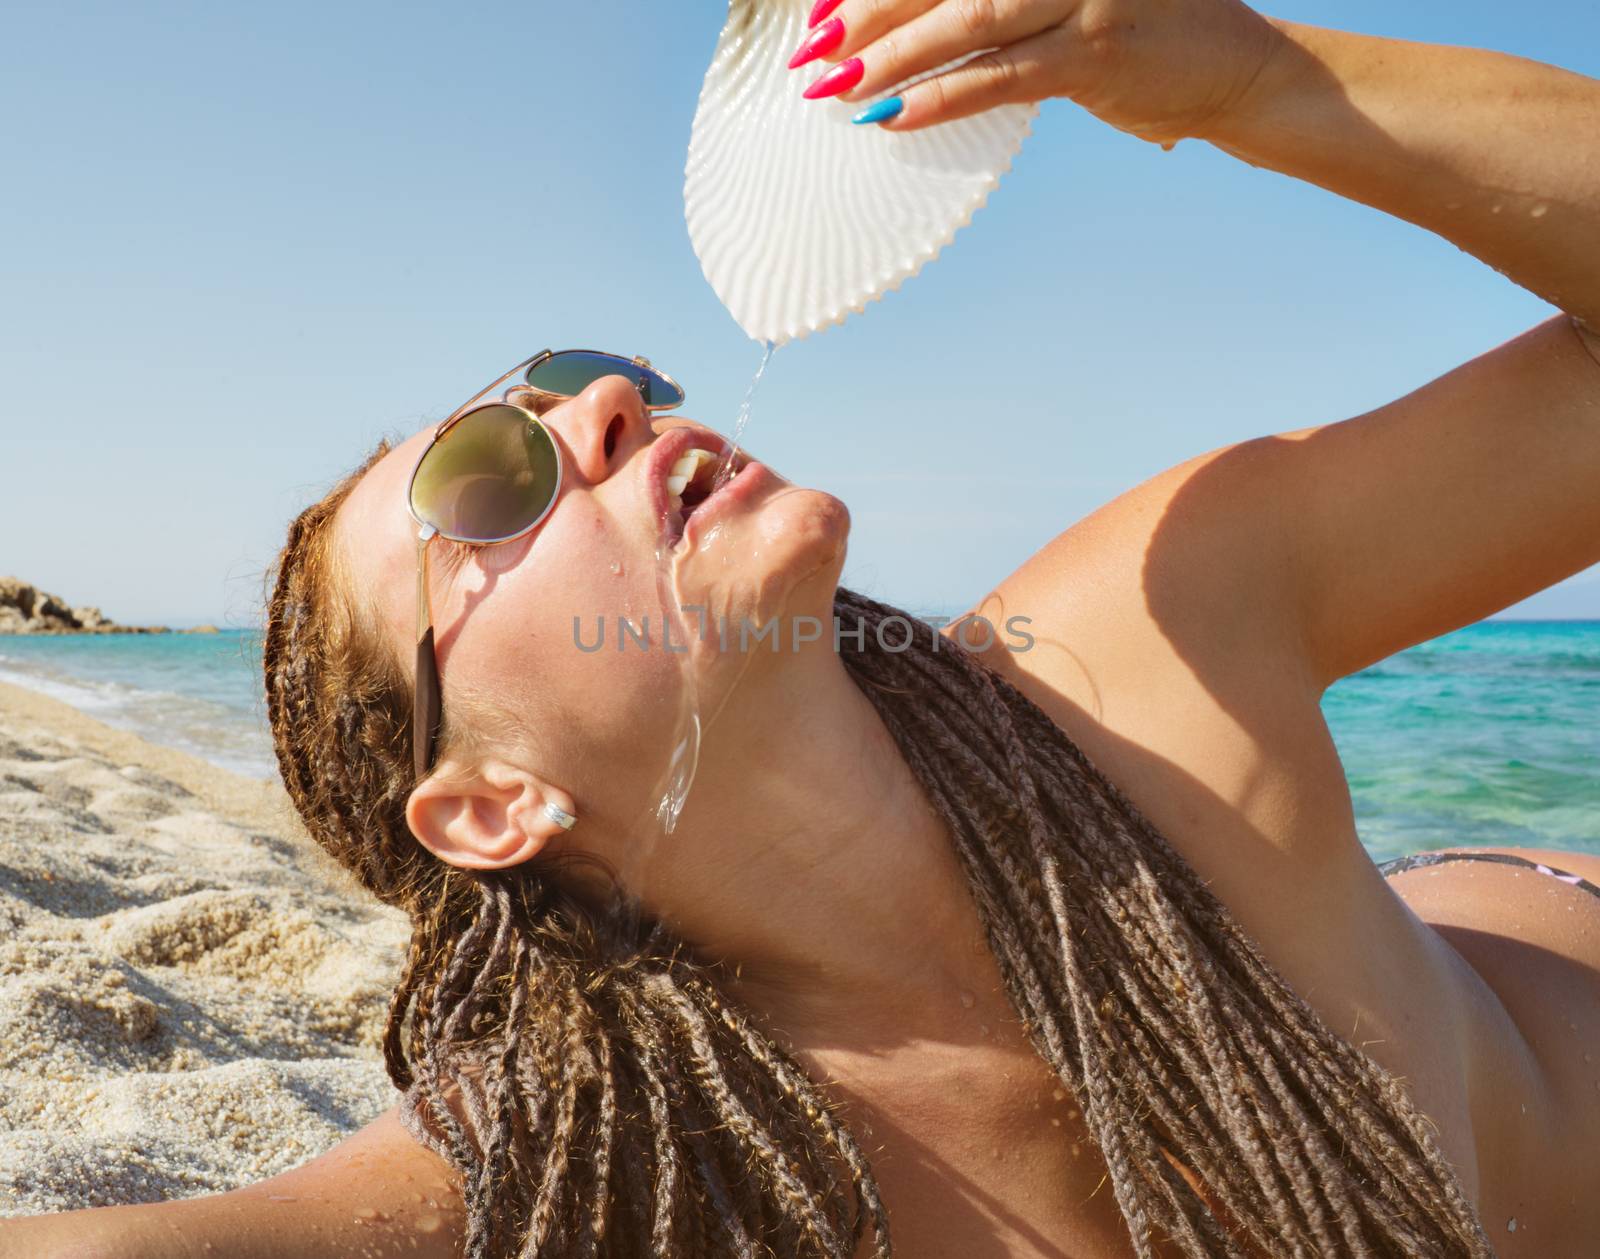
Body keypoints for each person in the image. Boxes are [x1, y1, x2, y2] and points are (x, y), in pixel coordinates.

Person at [8, 0, 1600, 1255]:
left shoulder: (1143, 642)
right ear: (490, 805)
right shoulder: (632, 1143)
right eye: (490, 479)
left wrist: (1251, 79)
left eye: (572, 381)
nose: (605, 408)